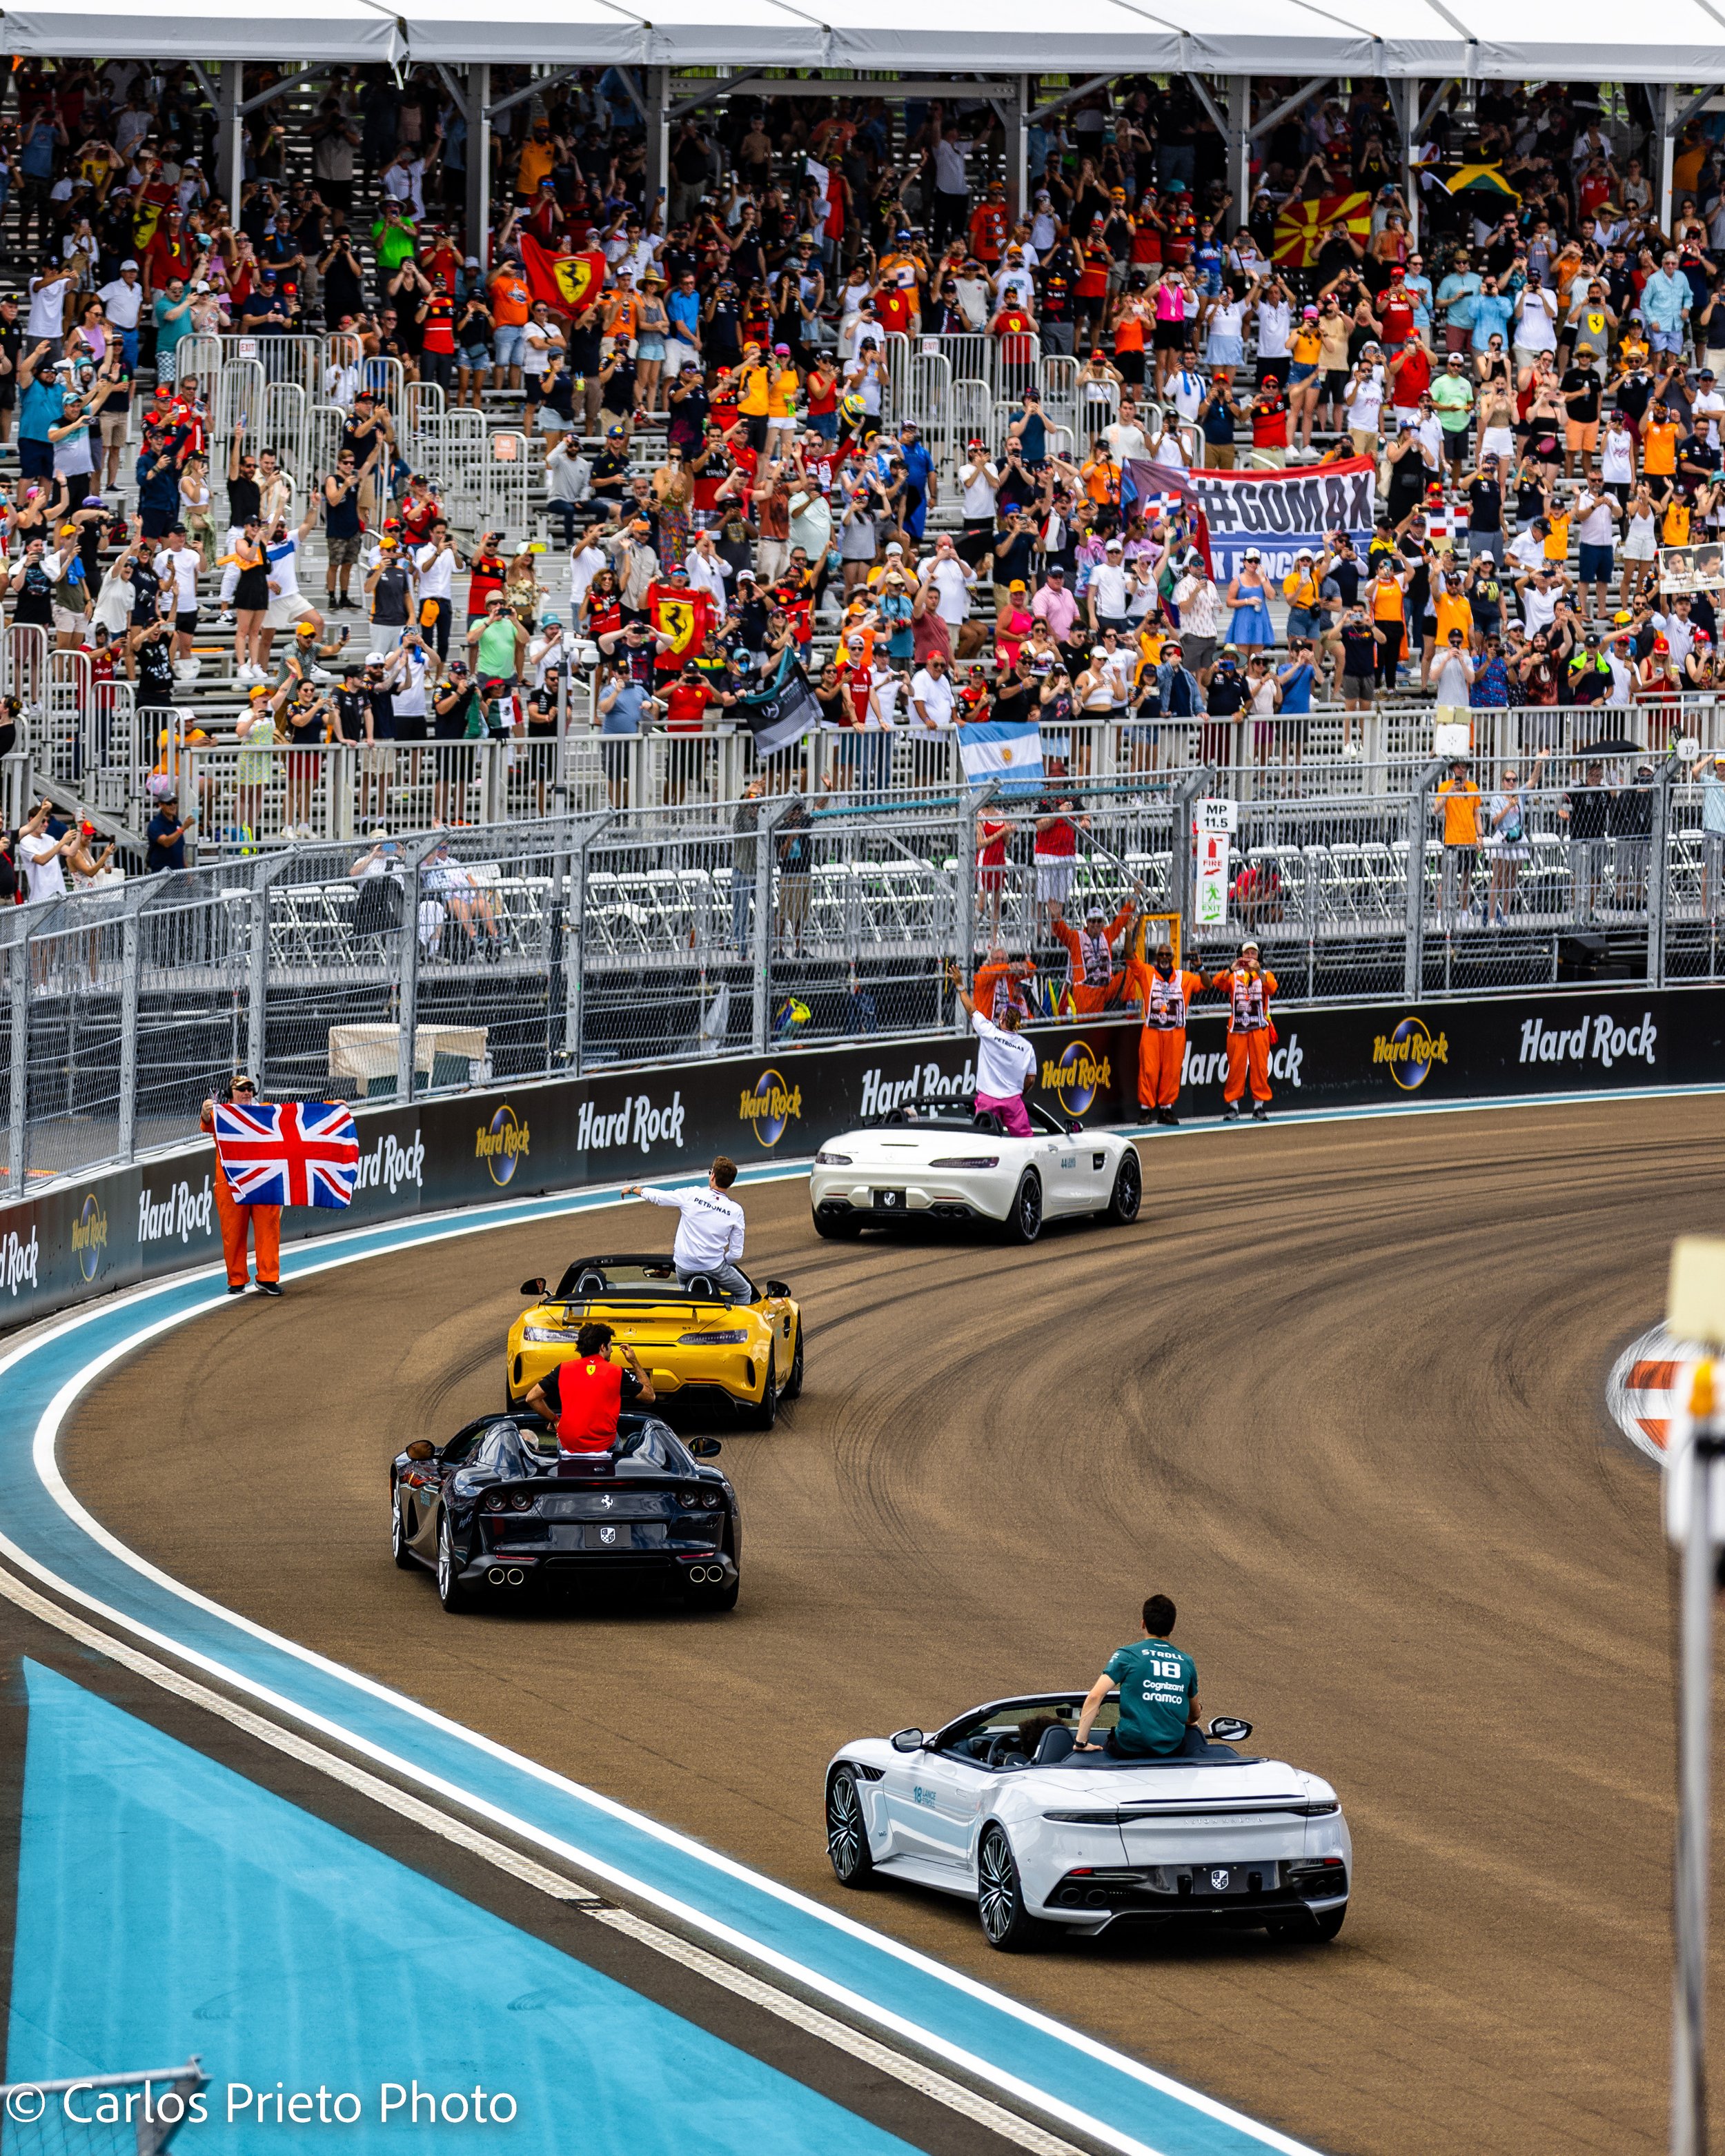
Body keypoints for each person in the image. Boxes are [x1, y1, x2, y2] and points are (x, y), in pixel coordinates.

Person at [1073, 1593, 1206, 1760]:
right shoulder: (1186, 1662)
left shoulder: (1127, 1655)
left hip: (1128, 1748)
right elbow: (1194, 1715)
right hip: (1171, 1751)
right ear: (1172, 1627)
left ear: (1143, 1623)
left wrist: (1081, 1743)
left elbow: (1095, 1696)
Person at [620, 1156, 750, 1299]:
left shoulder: (692, 1194)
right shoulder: (736, 1211)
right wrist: (723, 1262)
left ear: (713, 1176)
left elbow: (660, 1197)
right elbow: (736, 1254)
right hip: (714, 1267)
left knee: (687, 1297)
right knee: (745, 1292)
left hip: (685, 1266)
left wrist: (634, 1189)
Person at [199, 1073, 281, 1296]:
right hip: (231, 1182)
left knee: (268, 1229)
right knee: (233, 1233)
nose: (247, 1093)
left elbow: (295, 1116)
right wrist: (205, 1112)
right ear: (230, 1094)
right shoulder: (222, 1113)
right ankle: (236, 1279)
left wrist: (333, 1107)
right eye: (241, 1089)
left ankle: (268, 1278)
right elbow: (207, 1123)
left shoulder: (265, 1110)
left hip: (263, 1180)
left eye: (249, 1089)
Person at [523, 1322, 654, 1454]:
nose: (612, 1350)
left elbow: (532, 1398)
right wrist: (634, 1362)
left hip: (568, 1445)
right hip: (605, 1447)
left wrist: (555, 1420)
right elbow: (649, 1396)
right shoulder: (617, 1372)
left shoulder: (563, 1369)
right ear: (602, 1347)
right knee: (629, 1441)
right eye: (610, 1346)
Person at [946, 964, 1036, 1136]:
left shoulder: (989, 1032)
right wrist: (1017, 1093)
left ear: (1002, 1019)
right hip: (1012, 1101)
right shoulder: (1027, 1047)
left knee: (984, 1138)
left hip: (988, 1099)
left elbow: (971, 1009)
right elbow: (1031, 1079)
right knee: (1026, 1140)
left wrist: (960, 985)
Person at [1126, 940, 1205, 1125]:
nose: (1164, 958)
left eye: (1167, 955)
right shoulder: (1147, 973)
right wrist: (1129, 933)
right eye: (1161, 954)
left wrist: (1200, 966)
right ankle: (1145, 1110)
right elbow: (1130, 956)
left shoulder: (1184, 977)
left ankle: (1166, 1109)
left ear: (1173, 957)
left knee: (1172, 1071)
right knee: (1149, 1070)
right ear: (1156, 957)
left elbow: (1207, 984)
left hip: (1175, 1033)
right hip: (1152, 1031)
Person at [1211, 939, 1276, 1122]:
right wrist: (1230, 969)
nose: (1250, 956)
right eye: (1246, 953)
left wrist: (1259, 971)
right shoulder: (1234, 975)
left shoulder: (1265, 974)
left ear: (1258, 957)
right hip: (1237, 1029)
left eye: (1253, 953)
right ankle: (1233, 1106)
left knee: (1260, 1068)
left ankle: (1259, 1107)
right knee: (1236, 1068)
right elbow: (1218, 983)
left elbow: (1272, 988)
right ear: (1240, 956)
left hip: (1259, 1028)